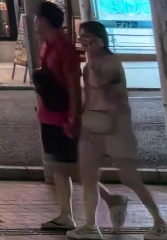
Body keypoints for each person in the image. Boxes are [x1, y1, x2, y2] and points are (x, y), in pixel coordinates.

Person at [35, 1, 128, 233]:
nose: (34, 22)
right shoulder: (46, 45)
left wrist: (73, 117)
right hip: (48, 114)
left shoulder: (65, 48)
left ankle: (106, 204)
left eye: (37, 18)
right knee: (58, 167)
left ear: (45, 21)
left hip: (63, 116)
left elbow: (73, 85)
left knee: (72, 168)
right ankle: (66, 215)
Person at [72, 20, 167, 239]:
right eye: (81, 36)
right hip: (92, 126)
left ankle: (160, 222)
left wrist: (93, 62)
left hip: (116, 129)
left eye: (89, 37)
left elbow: (112, 94)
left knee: (130, 179)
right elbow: (89, 99)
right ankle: (90, 225)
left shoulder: (112, 62)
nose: (84, 40)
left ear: (101, 39)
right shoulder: (87, 67)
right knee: (87, 175)